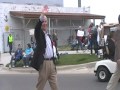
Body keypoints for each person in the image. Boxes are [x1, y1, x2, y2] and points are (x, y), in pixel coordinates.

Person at [31, 13, 58, 90]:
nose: (45, 23)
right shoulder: (39, 34)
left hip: (51, 63)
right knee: (40, 87)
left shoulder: (48, 35)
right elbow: (36, 28)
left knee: (55, 87)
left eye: (46, 21)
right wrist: (40, 19)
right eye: (43, 22)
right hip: (44, 64)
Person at [106, 15, 120, 90]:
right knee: (116, 75)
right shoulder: (118, 31)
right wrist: (118, 58)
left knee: (116, 74)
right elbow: (117, 46)